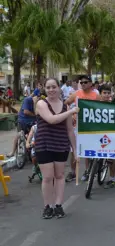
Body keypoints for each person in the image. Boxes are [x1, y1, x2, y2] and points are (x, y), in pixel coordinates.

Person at [35, 78, 79, 219]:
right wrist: (71, 111)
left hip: (61, 145)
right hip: (44, 144)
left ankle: (59, 205)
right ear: (45, 89)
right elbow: (52, 120)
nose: (51, 90)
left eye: (54, 87)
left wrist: (75, 150)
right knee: (47, 177)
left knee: (59, 176)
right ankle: (47, 206)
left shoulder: (65, 106)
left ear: (59, 88)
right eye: (48, 87)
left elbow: (69, 130)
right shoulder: (41, 104)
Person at [65, 75, 101, 181]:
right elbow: (66, 104)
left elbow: (102, 109)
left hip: (90, 128)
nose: (83, 84)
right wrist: (71, 115)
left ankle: (87, 171)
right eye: (82, 82)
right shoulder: (76, 94)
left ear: (90, 83)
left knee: (87, 151)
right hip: (77, 127)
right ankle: (72, 172)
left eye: (86, 82)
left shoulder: (96, 96)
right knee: (74, 150)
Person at [99, 85, 115, 189]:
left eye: (108, 93)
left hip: (110, 134)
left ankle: (112, 178)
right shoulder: (94, 105)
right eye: (104, 93)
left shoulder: (114, 106)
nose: (106, 95)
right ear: (100, 94)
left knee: (111, 157)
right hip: (97, 133)